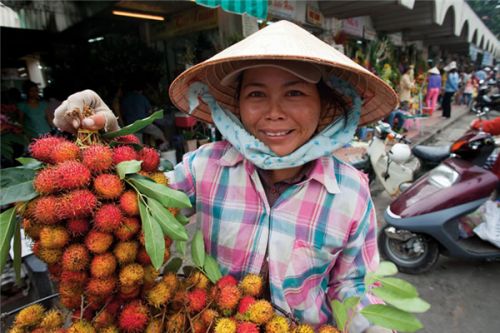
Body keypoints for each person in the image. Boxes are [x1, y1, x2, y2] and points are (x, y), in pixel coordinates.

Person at [53, 21, 398, 333]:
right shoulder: (204, 167)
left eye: (295, 93)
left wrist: (372, 326)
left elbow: (354, 285)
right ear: (236, 107)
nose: (274, 113)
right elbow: (143, 207)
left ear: (325, 105)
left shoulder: (350, 192)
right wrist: (112, 140)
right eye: (256, 94)